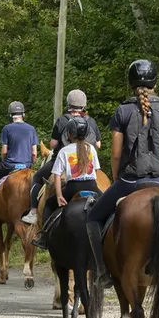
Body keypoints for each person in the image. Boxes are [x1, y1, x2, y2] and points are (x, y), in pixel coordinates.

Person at [84, 59, 159, 285]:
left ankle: (102, 272)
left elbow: (116, 154)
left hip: (130, 180)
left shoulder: (122, 111)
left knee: (93, 218)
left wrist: (118, 179)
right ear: (155, 81)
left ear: (131, 83)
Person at [25, 88, 100, 226]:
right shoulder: (91, 122)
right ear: (84, 104)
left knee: (37, 180)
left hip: (67, 173)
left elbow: (53, 145)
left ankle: (34, 213)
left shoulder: (63, 122)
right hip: (91, 177)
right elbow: (99, 145)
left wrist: (59, 195)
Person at [39, 114, 100, 246]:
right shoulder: (92, 149)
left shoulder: (64, 151)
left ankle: (43, 237)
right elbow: (96, 171)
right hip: (92, 186)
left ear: (70, 134)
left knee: (49, 204)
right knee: (108, 205)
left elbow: (56, 175)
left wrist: (60, 195)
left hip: (73, 188)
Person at [0, 101, 39, 222]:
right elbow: (34, 153)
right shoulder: (31, 129)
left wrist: (3, 161)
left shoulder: (7, 128)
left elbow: (4, 151)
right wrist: (31, 164)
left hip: (9, 165)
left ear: (10, 115)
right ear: (23, 114)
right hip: (27, 165)